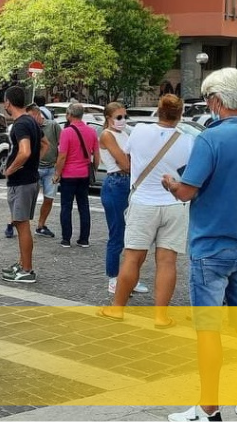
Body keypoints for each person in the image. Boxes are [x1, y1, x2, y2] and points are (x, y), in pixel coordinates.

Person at [163, 68, 237, 422]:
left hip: (211, 245)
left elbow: (187, 191)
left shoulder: (210, 139)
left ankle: (208, 408)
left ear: (216, 101)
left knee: (208, 331)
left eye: (207, 99)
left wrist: (171, 183)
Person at [99, 95, 193, 324]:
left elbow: (129, 157)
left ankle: (117, 308)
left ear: (158, 111)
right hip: (174, 204)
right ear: (180, 115)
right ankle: (161, 315)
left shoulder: (139, 131)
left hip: (143, 202)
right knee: (167, 261)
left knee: (132, 257)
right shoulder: (188, 140)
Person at [0, 86, 42, 284]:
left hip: (23, 181)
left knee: (22, 224)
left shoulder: (21, 124)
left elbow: (24, 151)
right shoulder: (31, 121)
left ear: (8, 102)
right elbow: (43, 145)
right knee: (20, 223)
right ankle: (22, 263)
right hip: (30, 179)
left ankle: (27, 269)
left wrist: (11, 169)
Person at [98, 103, 137, 294]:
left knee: (132, 235)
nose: (122, 120)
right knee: (117, 234)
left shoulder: (125, 134)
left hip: (127, 183)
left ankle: (129, 277)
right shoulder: (107, 134)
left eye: (124, 116)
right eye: (118, 117)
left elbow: (132, 161)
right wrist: (129, 162)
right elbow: (125, 163)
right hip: (116, 183)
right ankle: (113, 278)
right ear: (108, 118)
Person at [53, 103, 99, 248]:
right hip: (84, 173)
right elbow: (96, 155)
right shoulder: (91, 131)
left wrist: (57, 173)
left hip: (69, 174)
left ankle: (66, 238)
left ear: (69, 115)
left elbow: (62, 156)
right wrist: (94, 170)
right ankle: (84, 239)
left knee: (66, 206)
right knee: (83, 206)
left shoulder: (66, 132)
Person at [29, 103, 61, 239]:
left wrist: (58, 170)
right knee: (27, 198)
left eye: (31, 116)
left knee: (49, 198)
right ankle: (14, 222)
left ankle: (41, 225)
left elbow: (62, 145)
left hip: (51, 168)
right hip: (35, 168)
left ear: (37, 114)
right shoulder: (30, 128)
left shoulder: (52, 126)